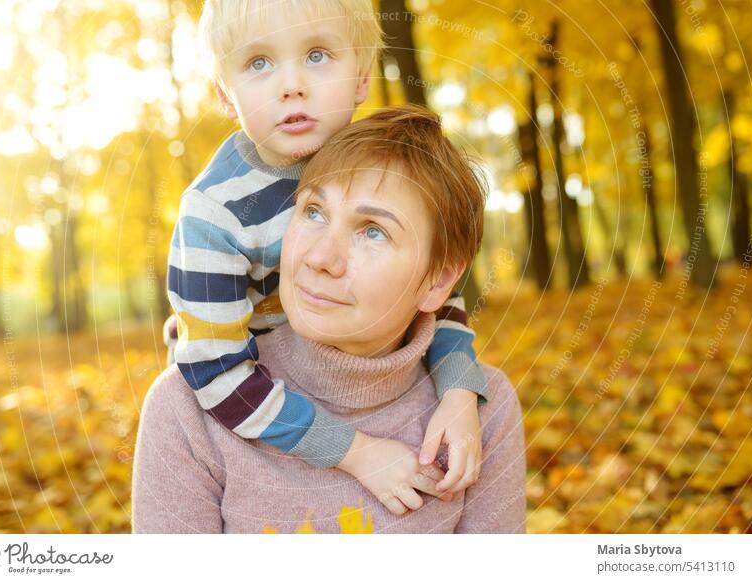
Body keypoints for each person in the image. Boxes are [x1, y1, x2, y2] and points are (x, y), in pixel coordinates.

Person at [133, 105, 526, 533]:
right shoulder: (188, 411)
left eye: (373, 231)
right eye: (314, 212)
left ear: (439, 280)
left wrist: (459, 390)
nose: (321, 259)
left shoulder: (479, 416)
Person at [164, 0, 491, 512]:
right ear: (225, 95)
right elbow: (218, 374)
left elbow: (431, 290)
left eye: (317, 54)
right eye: (258, 63)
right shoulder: (214, 214)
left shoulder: (382, 167)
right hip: (247, 382)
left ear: (362, 79)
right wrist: (356, 453)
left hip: (358, 369)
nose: (291, 85)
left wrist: (457, 390)